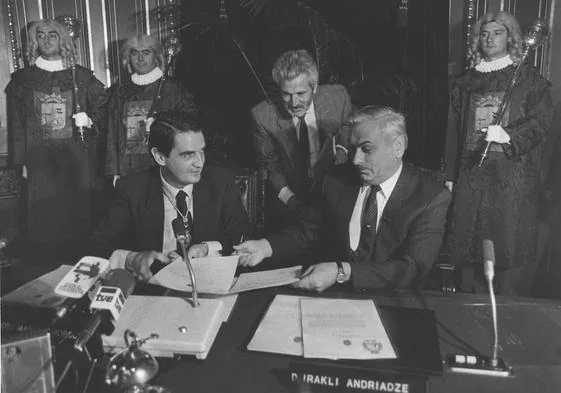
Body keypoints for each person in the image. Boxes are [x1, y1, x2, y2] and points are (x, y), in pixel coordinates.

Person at [236, 106, 451, 292]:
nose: (356, 160)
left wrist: (342, 271)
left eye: (366, 149)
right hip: (335, 298)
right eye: (353, 148)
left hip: (393, 302)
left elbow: (412, 269)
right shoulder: (336, 179)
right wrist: (266, 247)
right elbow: (309, 231)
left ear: (398, 146)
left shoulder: (431, 197)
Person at [444, 11, 552, 296]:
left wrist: (507, 135)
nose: (490, 39)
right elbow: (452, 131)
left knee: (503, 245)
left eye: (498, 33)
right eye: (484, 33)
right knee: (467, 246)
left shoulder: (528, 80)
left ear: (511, 38)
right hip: (470, 173)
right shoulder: (464, 82)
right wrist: (450, 176)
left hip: (509, 177)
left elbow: (540, 122)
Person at [87, 111, 251, 281]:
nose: (199, 163)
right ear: (160, 157)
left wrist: (207, 249)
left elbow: (242, 236)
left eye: (201, 151)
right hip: (153, 288)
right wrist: (131, 259)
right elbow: (95, 246)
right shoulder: (132, 189)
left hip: (208, 284)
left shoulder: (220, 181)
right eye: (188, 155)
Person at [6, 19, 107, 259]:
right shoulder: (23, 80)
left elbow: (105, 108)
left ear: (63, 39)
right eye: (40, 35)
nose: (46, 39)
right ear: (34, 42)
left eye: (53, 34)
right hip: (40, 160)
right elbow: (16, 124)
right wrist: (21, 162)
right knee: (45, 216)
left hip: (77, 159)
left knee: (78, 214)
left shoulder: (82, 77)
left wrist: (90, 120)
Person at [251, 49, 352, 229]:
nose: (294, 102)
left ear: (314, 87)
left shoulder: (338, 98)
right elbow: (269, 166)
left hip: (335, 193)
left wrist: (342, 148)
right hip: (292, 199)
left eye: (301, 93)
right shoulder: (262, 115)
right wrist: (290, 200)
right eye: (286, 94)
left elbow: (347, 124)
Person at [105, 34, 197, 183]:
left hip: (165, 166)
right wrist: (114, 171)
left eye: (146, 52)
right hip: (129, 168)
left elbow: (189, 128)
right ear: (128, 58)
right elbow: (112, 135)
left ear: (156, 57)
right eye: (134, 53)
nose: (140, 58)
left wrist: (163, 125)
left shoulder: (174, 90)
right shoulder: (120, 93)